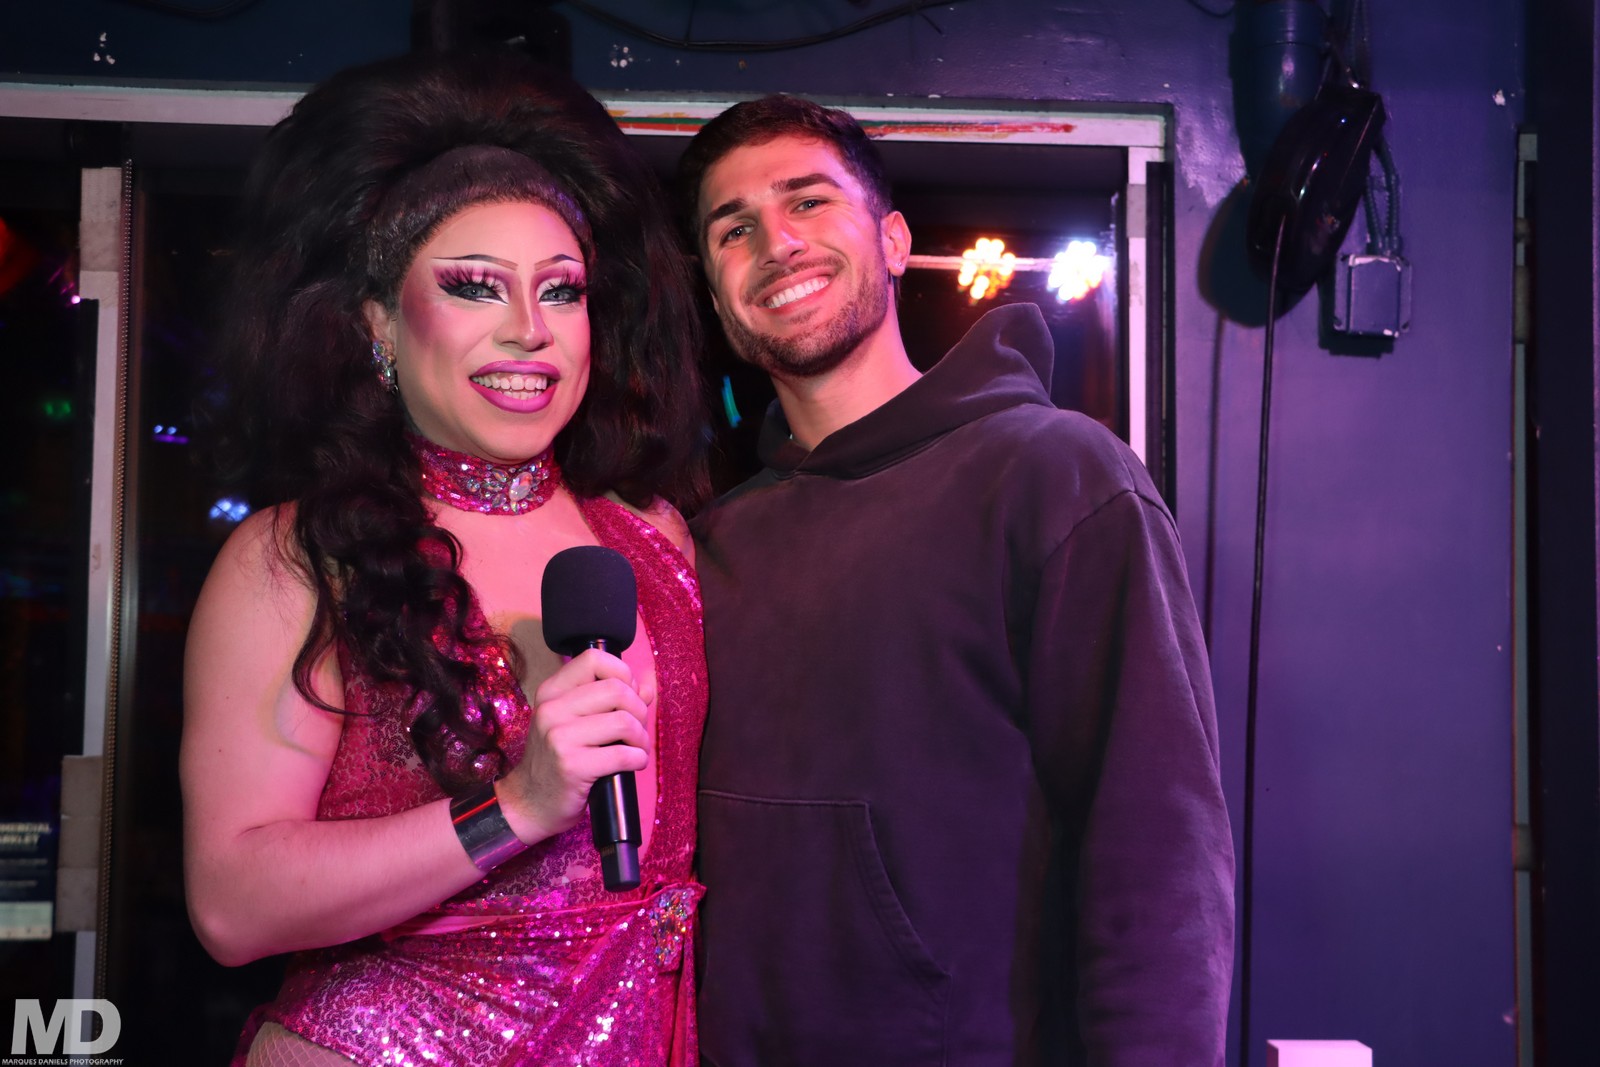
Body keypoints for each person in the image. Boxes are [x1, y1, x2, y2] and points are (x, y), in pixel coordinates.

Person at [678, 96, 1235, 1065]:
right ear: (716, 295)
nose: (775, 243)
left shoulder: (1055, 475)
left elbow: (1158, 854)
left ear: (894, 241)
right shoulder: (710, 543)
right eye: (733, 228)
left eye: (807, 201)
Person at [180, 49, 709, 1067]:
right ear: (378, 325)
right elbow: (232, 903)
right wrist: (516, 806)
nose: (529, 331)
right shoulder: (296, 557)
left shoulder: (653, 539)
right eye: (475, 287)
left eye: (562, 291)